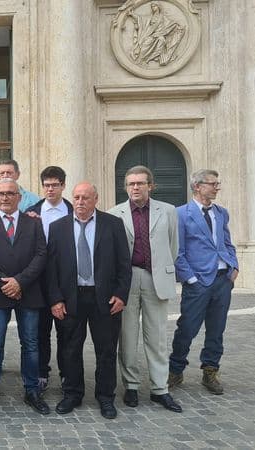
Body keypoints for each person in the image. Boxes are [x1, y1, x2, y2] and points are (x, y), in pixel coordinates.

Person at [46, 182, 131, 419]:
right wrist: (55, 299)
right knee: (70, 348)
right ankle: (72, 393)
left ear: (96, 199)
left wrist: (121, 294)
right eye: (76, 198)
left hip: (104, 298)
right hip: (71, 297)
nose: (80, 202)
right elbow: (51, 269)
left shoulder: (113, 225)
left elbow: (124, 264)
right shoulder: (58, 228)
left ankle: (105, 397)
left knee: (106, 349)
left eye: (85, 198)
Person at [108, 166, 182, 413]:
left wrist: (160, 269)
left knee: (157, 336)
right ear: (126, 187)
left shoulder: (168, 211)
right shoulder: (114, 213)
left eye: (140, 183)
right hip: (128, 279)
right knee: (127, 336)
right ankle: (130, 385)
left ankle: (160, 388)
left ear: (151, 185)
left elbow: (173, 247)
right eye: (131, 184)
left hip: (156, 278)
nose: (136, 188)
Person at [0, 179, 49, 416]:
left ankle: (31, 390)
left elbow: (41, 255)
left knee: (30, 343)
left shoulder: (34, 223)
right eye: (1, 194)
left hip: (28, 291)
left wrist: (20, 281)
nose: (5, 198)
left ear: (19, 197)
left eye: (10, 193)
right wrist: (3, 282)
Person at [169, 169, 239, 395]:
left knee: (217, 329)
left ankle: (210, 370)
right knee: (187, 328)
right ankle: (175, 369)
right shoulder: (180, 214)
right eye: (212, 183)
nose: (217, 187)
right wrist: (190, 278)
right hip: (198, 282)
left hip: (222, 280)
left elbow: (227, 242)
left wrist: (234, 266)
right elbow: (177, 251)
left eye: (217, 183)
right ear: (197, 186)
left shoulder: (221, 213)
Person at [25, 166, 73, 392]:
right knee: (40, 330)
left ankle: (66, 373)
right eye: (47, 185)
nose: (51, 189)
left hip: (66, 281)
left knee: (66, 331)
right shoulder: (32, 212)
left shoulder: (73, 210)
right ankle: (42, 372)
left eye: (55, 185)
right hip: (39, 281)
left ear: (63, 185)